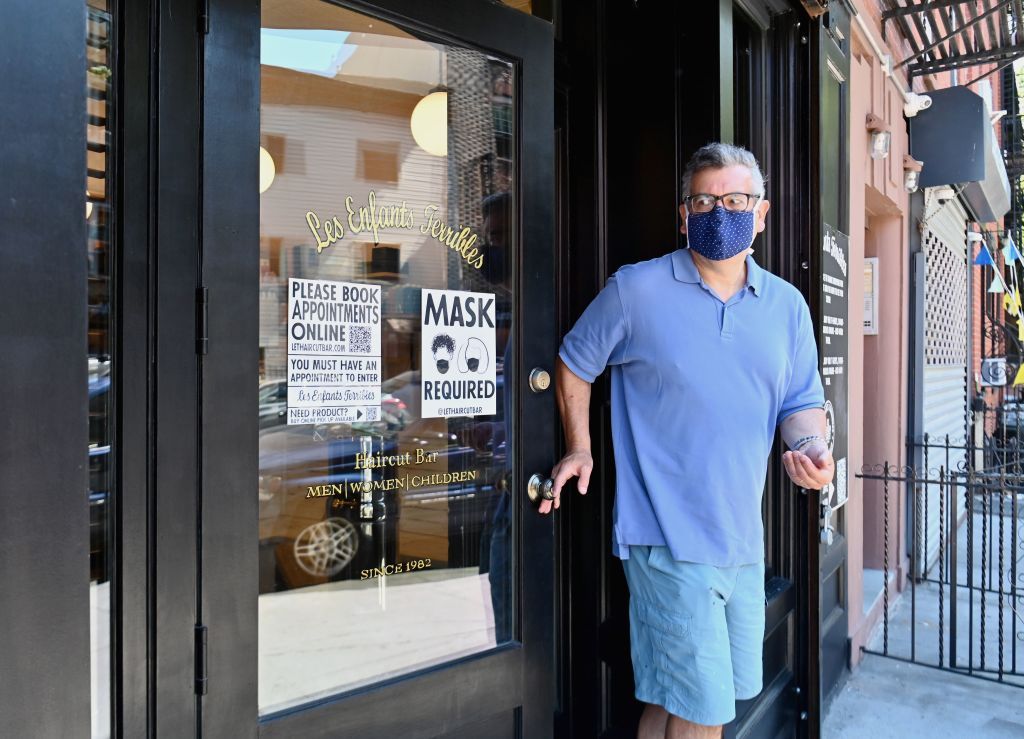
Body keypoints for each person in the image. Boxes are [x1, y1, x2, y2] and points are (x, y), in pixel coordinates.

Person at [546, 143, 834, 739]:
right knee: (706, 717)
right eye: (704, 200)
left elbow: (800, 404)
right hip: (666, 539)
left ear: (762, 213)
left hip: (742, 541)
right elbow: (574, 364)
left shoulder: (788, 307)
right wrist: (581, 445)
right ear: (683, 214)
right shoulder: (637, 290)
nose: (719, 212)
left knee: (683, 700)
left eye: (735, 200)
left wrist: (812, 452)